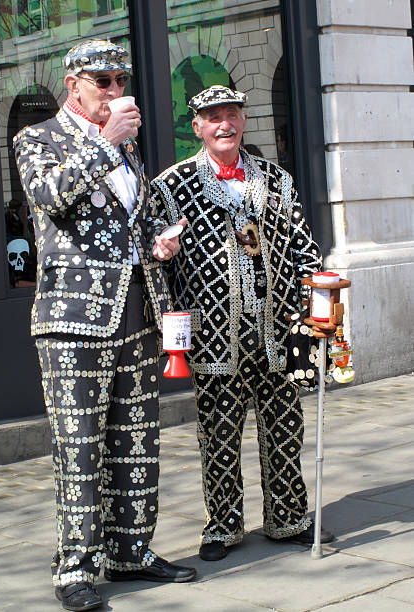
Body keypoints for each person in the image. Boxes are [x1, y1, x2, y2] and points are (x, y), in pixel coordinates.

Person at [14, 38, 193, 612]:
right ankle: (76, 567)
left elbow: (125, 226)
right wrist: (104, 143)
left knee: (137, 443)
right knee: (81, 447)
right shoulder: (37, 139)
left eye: (121, 80)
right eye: (104, 82)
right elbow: (50, 197)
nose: (117, 91)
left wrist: (159, 245)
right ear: (73, 85)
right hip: (72, 322)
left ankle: (130, 551)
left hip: (137, 315)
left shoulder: (130, 149)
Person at [150, 85, 334, 563]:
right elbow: (159, 267)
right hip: (213, 334)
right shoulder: (171, 186)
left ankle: (289, 517)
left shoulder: (276, 179)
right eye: (213, 117)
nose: (224, 125)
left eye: (231, 115)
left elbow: (303, 250)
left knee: (284, 427)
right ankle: (223, 526)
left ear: (244, 121)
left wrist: (318, 313)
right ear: (197, 126)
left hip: (279, 330)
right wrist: (173, 334)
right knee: (218, 435)